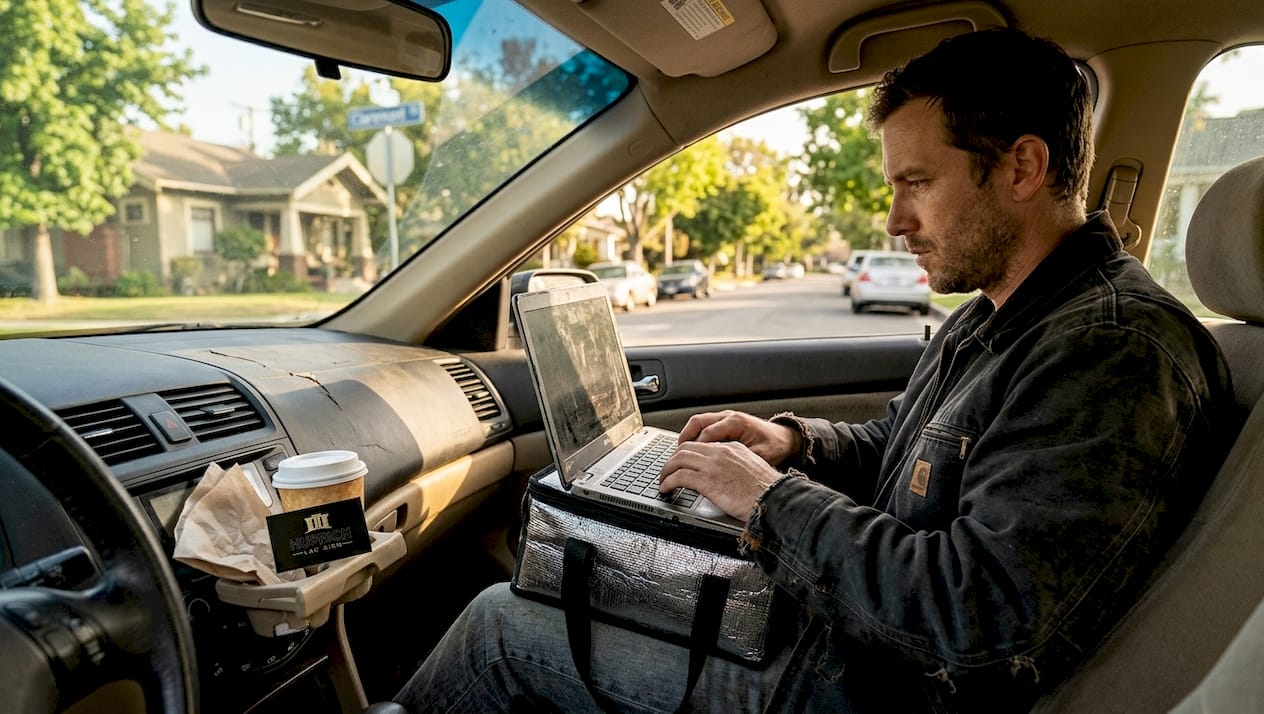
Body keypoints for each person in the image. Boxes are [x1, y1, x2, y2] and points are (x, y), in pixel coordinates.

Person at [395, 28, 1234, 713]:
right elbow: (906, 456)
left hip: (863, 687)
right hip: (844, 640)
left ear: (1022, 166)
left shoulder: (1114, 353)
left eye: (917, 182)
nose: (897, 220)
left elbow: (977, 622)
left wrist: (767, 499)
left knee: (501, 625)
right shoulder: (999, 315)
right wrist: (792, 446)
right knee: (572, 569)